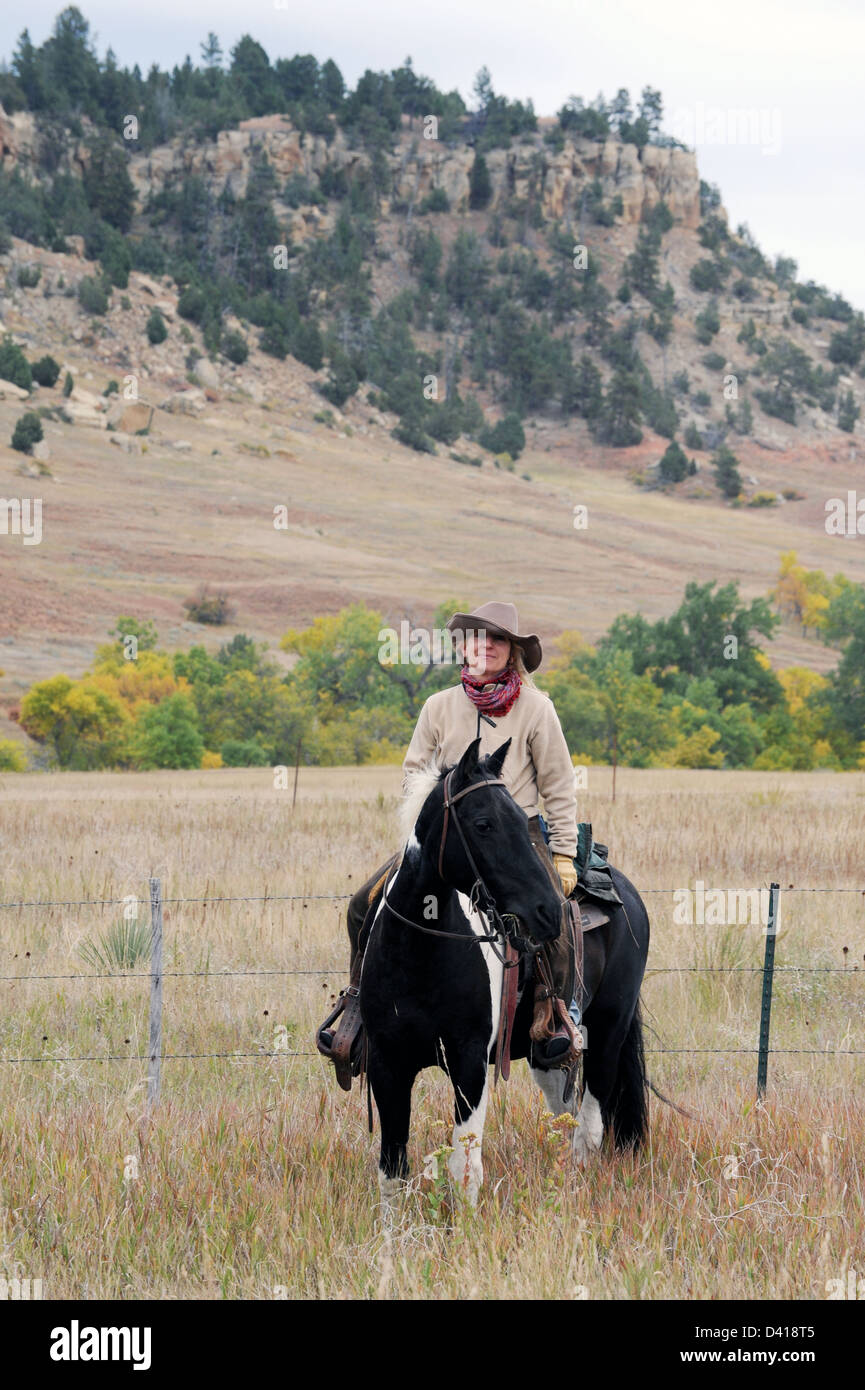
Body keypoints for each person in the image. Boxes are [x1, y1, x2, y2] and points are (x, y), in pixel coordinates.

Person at [317, 600, 582, 1081]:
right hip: (441, 836)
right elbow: (412, 775)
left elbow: (559, 785)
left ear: (512, 652)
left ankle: (551, 1012)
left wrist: (562, 853)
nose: (486, 647)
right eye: (477, 638)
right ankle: (359, 1003)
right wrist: (430, 818)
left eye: (497, 639)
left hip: (513, 836)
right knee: (363, 905)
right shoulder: (438, 706)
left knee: (553, 915)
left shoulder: (537, 709)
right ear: (464, 647)